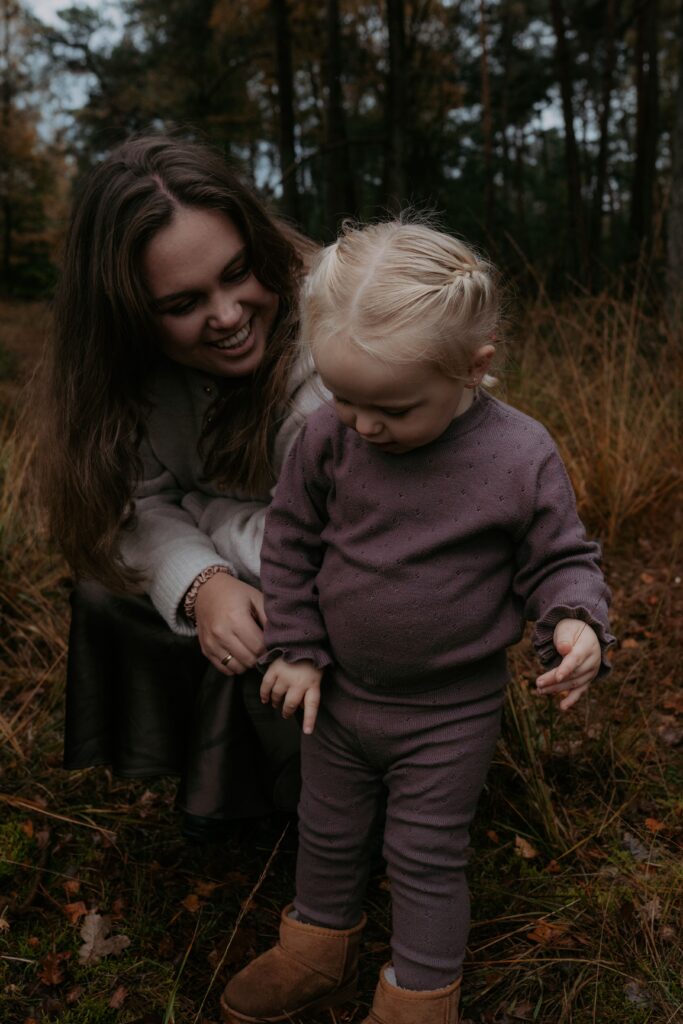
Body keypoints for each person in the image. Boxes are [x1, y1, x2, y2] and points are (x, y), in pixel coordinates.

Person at [219, 220, 615, 1023]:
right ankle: (315, 948)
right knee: (325, 830)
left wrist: (575, 622)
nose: (364, 424)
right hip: (337, 698)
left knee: (425, 855)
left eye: (393, 408)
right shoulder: (329, 437)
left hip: (448, 711)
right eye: (344, 397)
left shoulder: (517, 454)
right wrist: (295, 649)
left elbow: (560, 558)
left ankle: (420, 994)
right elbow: (291, 540)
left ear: (474, 367)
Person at [37, 134, 323, 838]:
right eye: (183, 302)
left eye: (238, 273)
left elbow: (333, 536)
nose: (226, 315)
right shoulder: (126, 380)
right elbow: (137, 507)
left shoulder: (338, 333)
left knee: (280, 619)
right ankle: (216, 784)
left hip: (363, 594)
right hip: (265, 563)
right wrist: (204, 585)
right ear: (129, 313)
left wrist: (208, 517)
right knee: (111, 586)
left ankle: (334, 808)